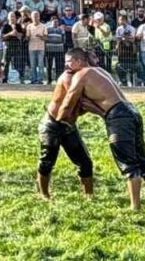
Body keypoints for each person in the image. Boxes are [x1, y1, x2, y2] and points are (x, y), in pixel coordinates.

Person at [55, 49, 145, 210]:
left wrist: (59, 121)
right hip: (132, 111)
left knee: (128, 162)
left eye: (68, 61)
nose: (66, 65)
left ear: (78, 61)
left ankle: (135, 206)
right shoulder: (100, 71)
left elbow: (69, 101)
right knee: (143, 157)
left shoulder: (81, 75)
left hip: (118, 117)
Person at [37, 55, 94, 200]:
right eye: (92, 61)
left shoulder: (83, 77)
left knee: (85, 162)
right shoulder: (69, 77)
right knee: (47, 161)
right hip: (52, 125)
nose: (95, 63)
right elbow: (77, 101)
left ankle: (89, 195)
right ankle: (44, 194)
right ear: (80, 62)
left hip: (68, 126)